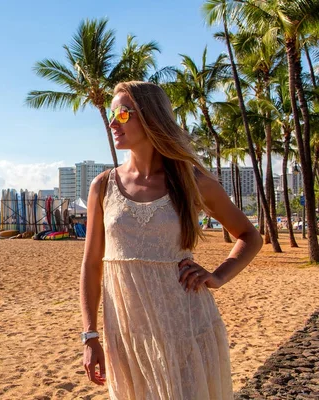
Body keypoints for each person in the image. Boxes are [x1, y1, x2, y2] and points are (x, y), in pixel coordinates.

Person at [80, 81, 262, 399]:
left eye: (122, 114)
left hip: (187, 328)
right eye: (112, 115)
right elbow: (92, 264)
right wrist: (90, 335)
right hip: (128, 334)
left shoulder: (192, 182)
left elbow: (249, 236)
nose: (112, 123)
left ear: (151, 117)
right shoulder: (103, 186)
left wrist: (217, 276)